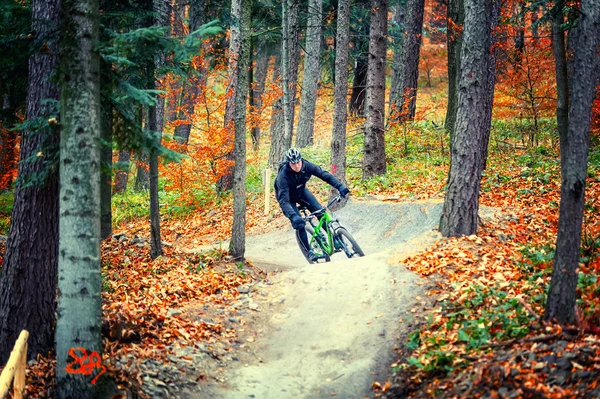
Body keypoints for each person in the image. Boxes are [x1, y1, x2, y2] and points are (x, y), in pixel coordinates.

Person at [274, 148, 350, 262]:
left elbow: (325, 176)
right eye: (293, 164)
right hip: (288, 199)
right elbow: (283, 201)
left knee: (321, 212)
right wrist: (293, 216)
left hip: (301, 192)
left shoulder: (307, 166)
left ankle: (335, 240)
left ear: (301, 160)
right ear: (289, 163)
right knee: (299, 223)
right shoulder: (283, 176)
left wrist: (340, 187)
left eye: (298, 162)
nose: (297, 166)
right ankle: (308, 251)